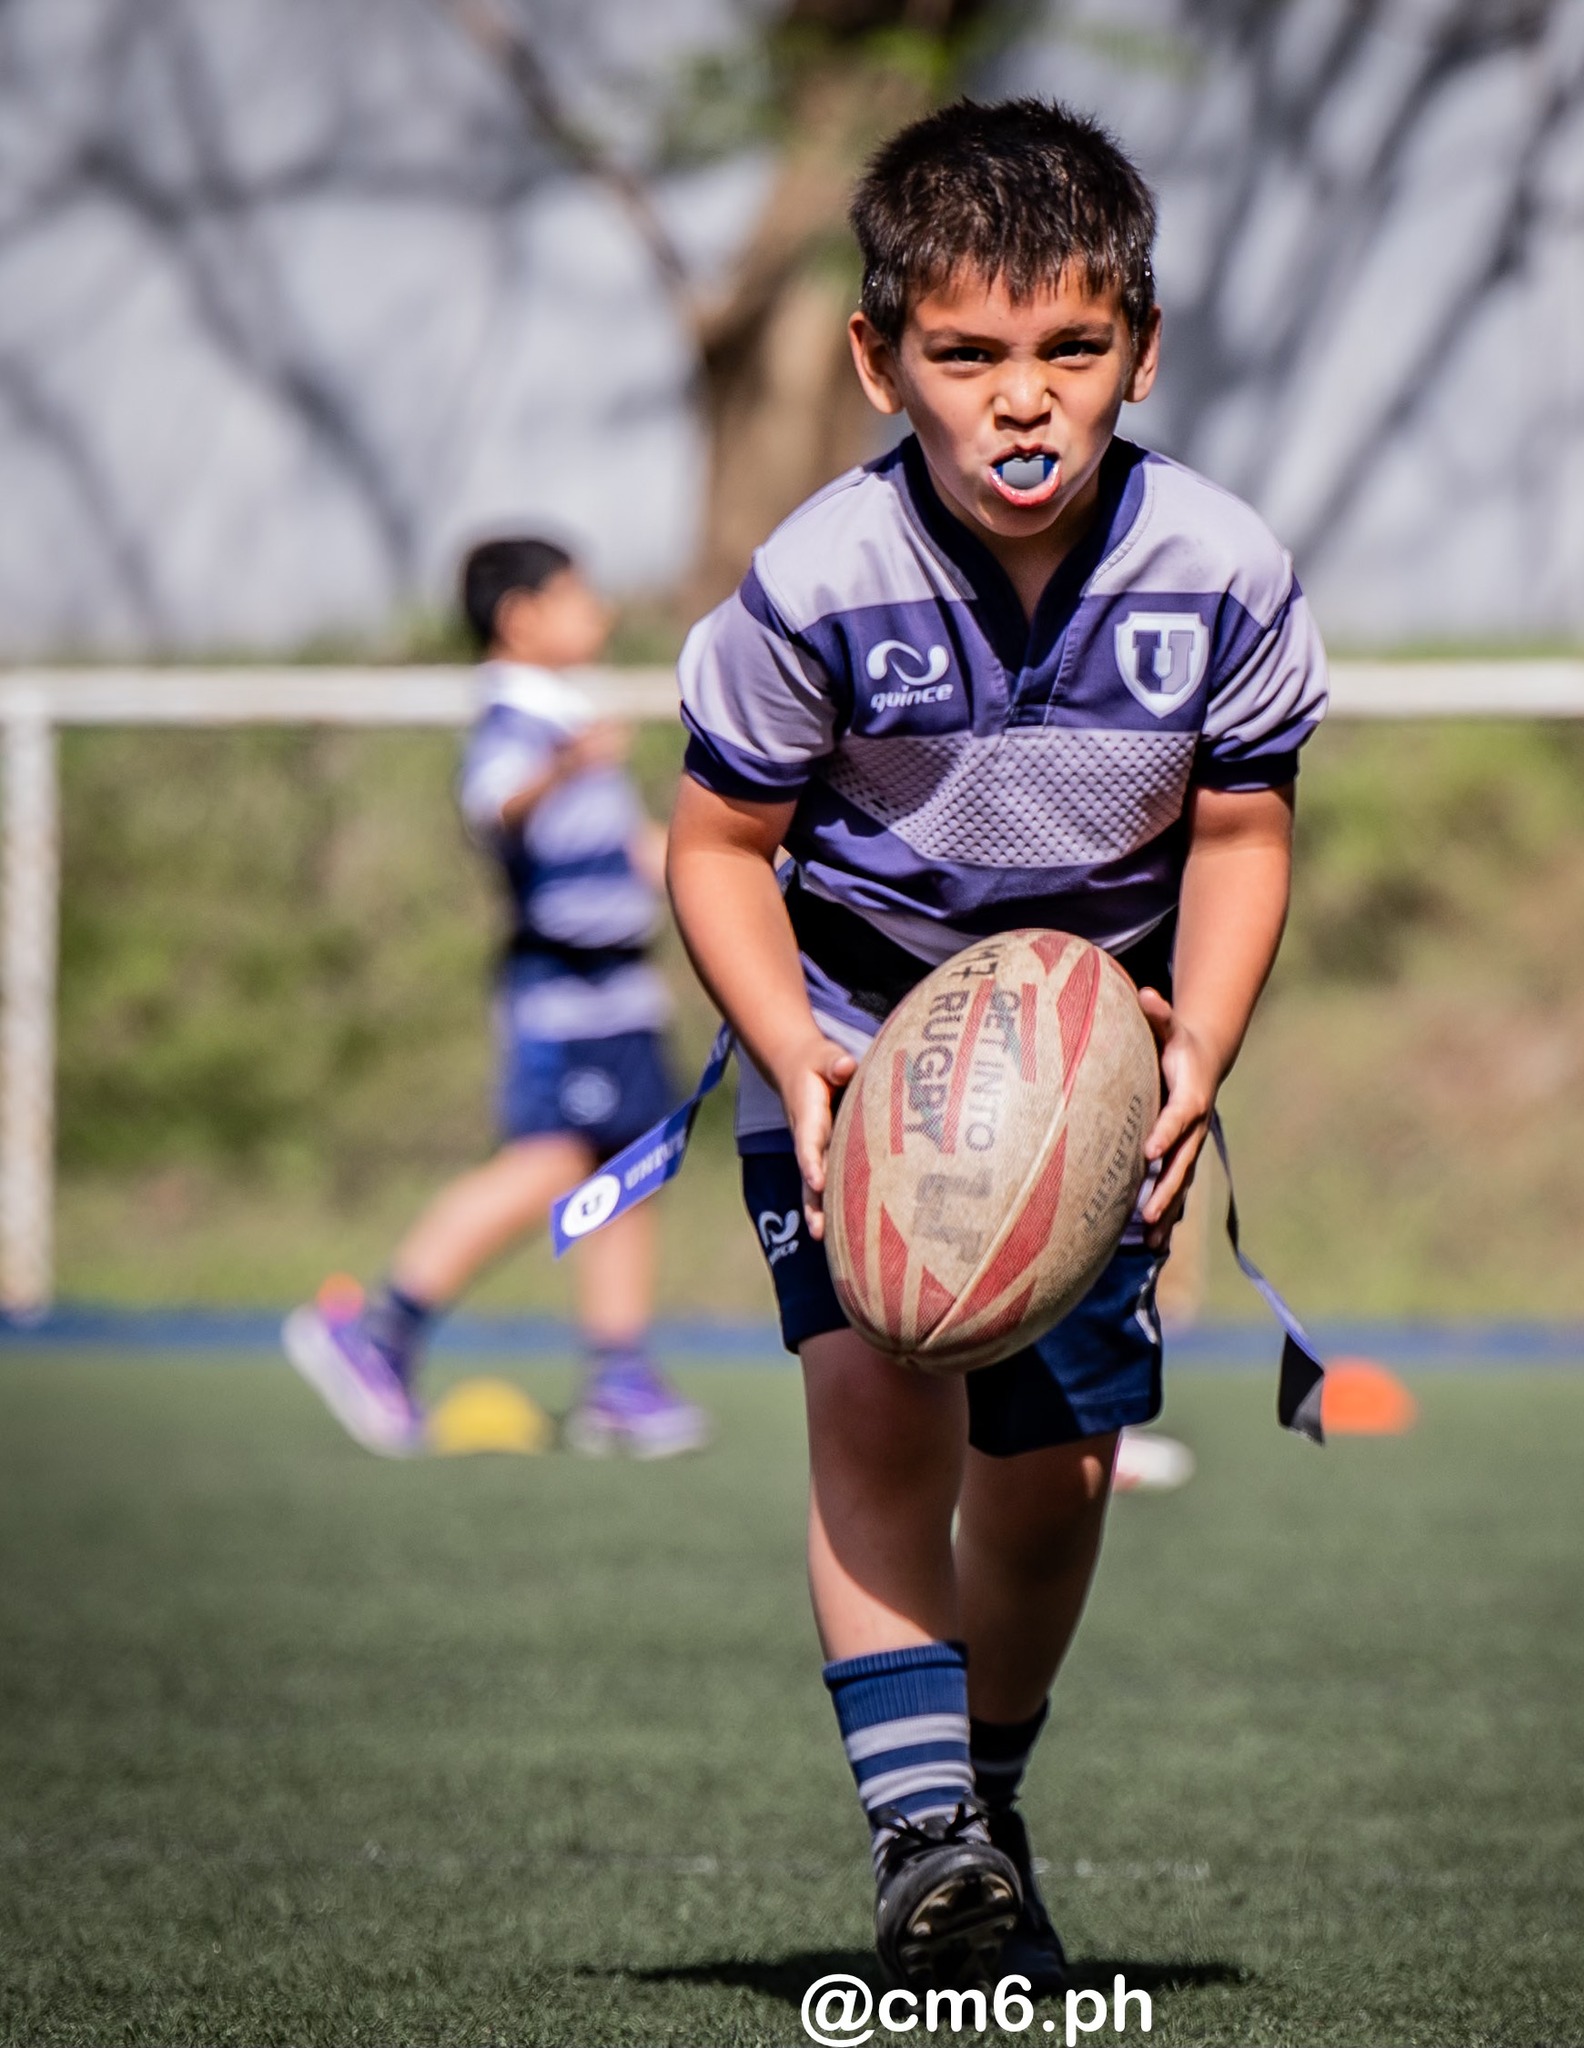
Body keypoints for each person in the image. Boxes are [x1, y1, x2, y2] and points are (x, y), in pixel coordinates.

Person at [666, 99, 1326, 1990]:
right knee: (880, 1399)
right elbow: (714, 843)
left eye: (1069, 351)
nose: (1020, 400)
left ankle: (988, 1799)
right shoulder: (816, 579)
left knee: (1054, 1474)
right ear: (882, 360)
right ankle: (922, 1832)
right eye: (965, 354)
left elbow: (1237, 828)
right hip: (861, 1048)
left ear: (1139, 345)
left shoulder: (1219, 566)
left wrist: (1191, 1050)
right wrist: (794, 1052)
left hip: (1091, 1085)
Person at [282, 537, 710, 1462]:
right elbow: (493, 804)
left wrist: (716, 870)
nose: (598, 613)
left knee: (628, 1170)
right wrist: (560, 767)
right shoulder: (517, 719)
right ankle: (380, 1331)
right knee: (551, 1163)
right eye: (578, 596)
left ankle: (619, 1378)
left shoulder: (564, 716)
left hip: (620, 989)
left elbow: (619, 846)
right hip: (563, 991)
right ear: (521, 616)